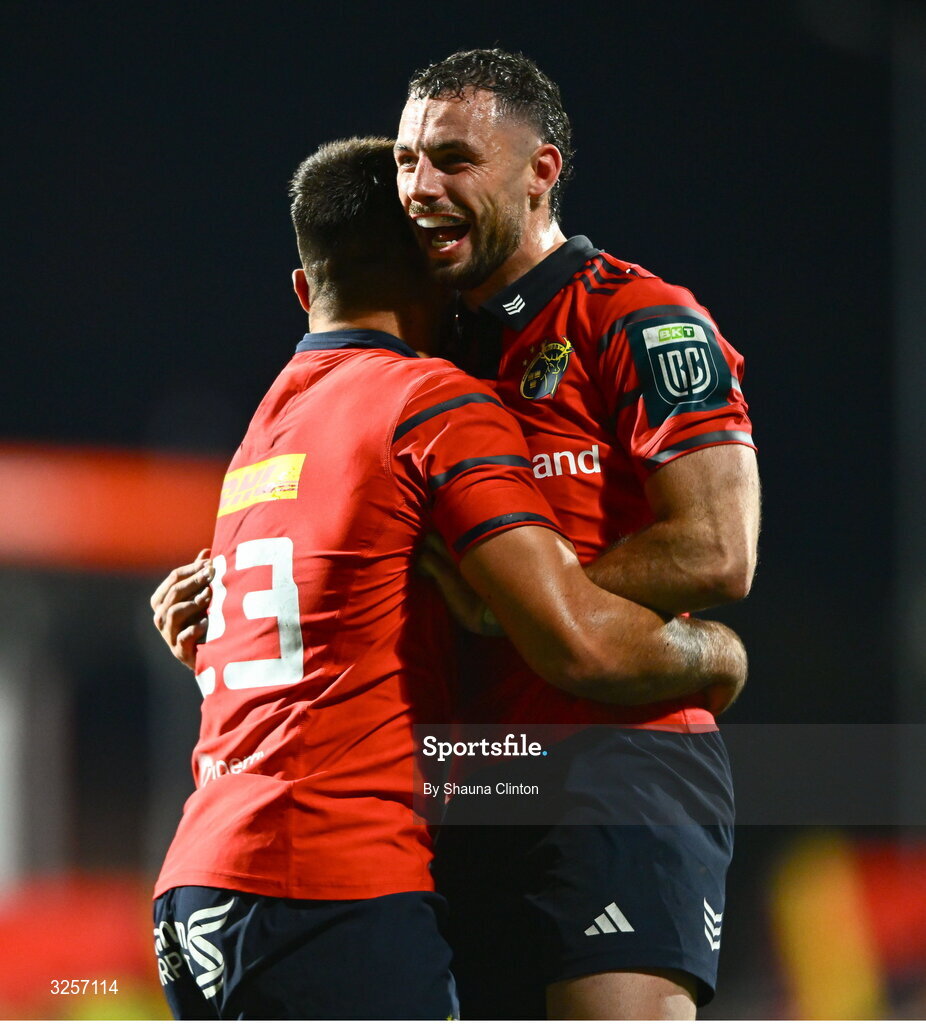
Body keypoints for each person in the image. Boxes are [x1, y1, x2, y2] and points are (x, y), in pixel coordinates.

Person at [150, 136, 746, 1020]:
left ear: (306, 291)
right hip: (334, 876)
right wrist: (718, 655)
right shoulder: (428, 398)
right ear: (439, 272)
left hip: (200, 889)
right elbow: (577, 639)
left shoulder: (268, 427)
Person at [390, 49, 761, 1021]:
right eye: (403, 162)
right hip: (457, 791)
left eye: (452, 160)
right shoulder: (417, 357)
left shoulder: (635, 318)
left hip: (614, 769)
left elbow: (717, 548)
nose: (418, 188)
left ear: (539, 171)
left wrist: (524, 603)